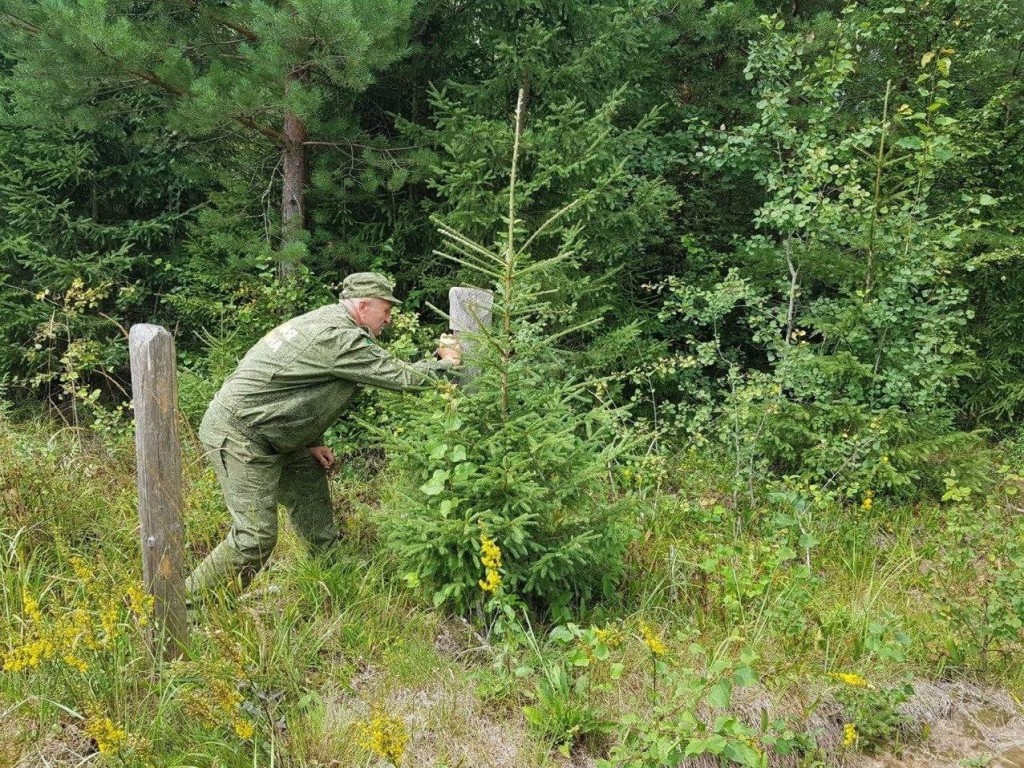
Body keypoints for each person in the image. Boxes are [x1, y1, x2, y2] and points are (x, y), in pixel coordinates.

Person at [185, 272, 461, 598]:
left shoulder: (325, 321)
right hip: (241, 435)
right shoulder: (339, 339)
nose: (389, 318)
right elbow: (405, 378)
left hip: (278, 434)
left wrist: (312, 441)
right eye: (385, 309)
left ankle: (330, 587)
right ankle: (183, 609)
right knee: (254, 538)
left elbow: (299, 384)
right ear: (362, 305)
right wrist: (449, 362)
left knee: (314, 507)